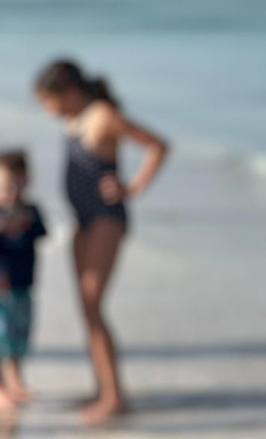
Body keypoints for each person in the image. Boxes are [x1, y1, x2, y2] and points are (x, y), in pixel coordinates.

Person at [34, 60, 169, 425]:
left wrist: (133, 187)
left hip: (106, 219)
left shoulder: (103, 115)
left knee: (94, 304)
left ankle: (114, 396)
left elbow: (158, 145)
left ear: (68, 92)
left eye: (48, 100)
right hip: (82, 220)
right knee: (86, 307)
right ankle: (103, 388)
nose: (47, 110)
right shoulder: (74, 119)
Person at [0, 151, 47, 409]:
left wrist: (26, 224)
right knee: (1, 337)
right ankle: (2, 388)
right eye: (6, 185)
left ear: (27, 181)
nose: (11, 191)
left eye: (17, 184)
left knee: (19, 336)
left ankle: (16, 381)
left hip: (24, 286)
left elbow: (44, 233)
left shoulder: (31, 210)